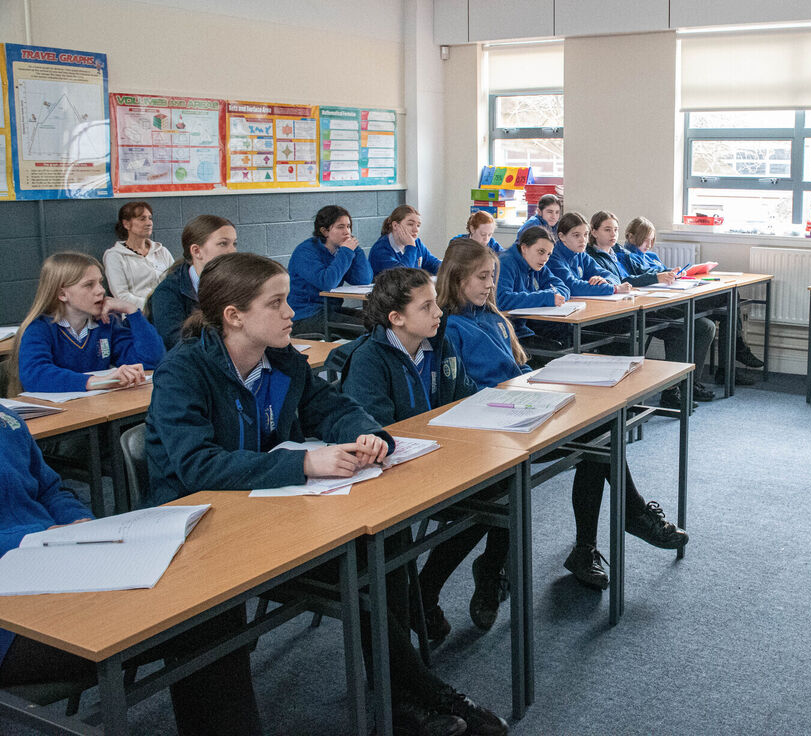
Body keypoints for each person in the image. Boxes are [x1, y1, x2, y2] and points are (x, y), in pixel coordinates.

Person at [144, 252, 504, 736]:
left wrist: (368, 433)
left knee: (382, 547)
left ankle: (405, 700)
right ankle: (425, 693)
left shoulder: (283, 361)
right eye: (276, 303)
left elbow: (332, 407)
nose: (292, 312)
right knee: (363, 574)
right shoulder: (183, 371)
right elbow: (196, 465)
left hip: (270, 514)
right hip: (201, 531)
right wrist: (304, 462)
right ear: (234, 316)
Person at [0, 405, 265, 736]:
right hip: (11, 616)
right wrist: (30, 540)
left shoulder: (7, 419)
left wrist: (81, 525)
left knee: (209, 607)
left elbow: (50, 490)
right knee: (192, 621)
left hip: (53, 564)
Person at [440, 238, 689, 590]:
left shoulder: (492, 317)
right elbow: (463, 393)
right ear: (456, 278)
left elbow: (514, 370)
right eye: (482, 277)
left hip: (516, 412)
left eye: (492, 276)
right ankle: (627, 518)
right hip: (491, 428)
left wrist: (536, 384)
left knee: (600, 431)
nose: (491, 284)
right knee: (598, 439)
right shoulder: (450, 327)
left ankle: (589, 545)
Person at [336, 264, 510, 642]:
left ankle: (428, 590)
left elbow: (464, 399)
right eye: (427, 307)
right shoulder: (369, 360)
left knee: (503, 489)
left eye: (436, 304)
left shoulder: (439, 344)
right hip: (393, 477)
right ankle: (420, 598)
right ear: (396, 318)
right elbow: (378, 433)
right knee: (486, 501)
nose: (439, 312)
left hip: (439, 463)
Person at [592, 213, 717, 407]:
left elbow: (638, 274)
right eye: (607, 230)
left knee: (705, 326)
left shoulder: (618, 253)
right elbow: (628, 281)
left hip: (644, 303)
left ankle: (688, 384)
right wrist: (656, 277)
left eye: (615, 230)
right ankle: (671, 390)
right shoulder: (593, 257)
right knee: (681, 329)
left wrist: (664, 274)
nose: (613, 235)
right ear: (594, 232)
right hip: (622, 312)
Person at [618, 220, 764, 384]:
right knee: (725, 302)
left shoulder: (651, 255)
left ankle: (729, 362)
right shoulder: (624, 256)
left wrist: (675, 273)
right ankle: (733, 354)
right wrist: (659, 276)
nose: (649, 244)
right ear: (631, 237)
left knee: (729, 296)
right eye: (645, 239)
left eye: (652, 240)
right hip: (659, 302)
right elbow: (630, 280)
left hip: (671, 293)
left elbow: (662, 273)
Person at [9, 252, 164, 396]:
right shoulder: (40, 328)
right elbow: (35, 375)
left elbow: (151, 362)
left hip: (99, 409)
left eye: (100, 283)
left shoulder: (106, 323)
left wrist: (132, 311)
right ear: (62, 294)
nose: (101, 290)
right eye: (89, 285)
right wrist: (96, 382)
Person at [148, 215, 238, 349]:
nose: (233, 251)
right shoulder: (167, 293)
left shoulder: (237, 284)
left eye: (234, 244)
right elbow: (178, 344)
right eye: (223, 243)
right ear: (196, 251)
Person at [287, 205, 373, 337]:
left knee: (377, 323)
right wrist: (347, 251)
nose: (347, 232)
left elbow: (364, 279)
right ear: (325, 231)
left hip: (330, 310)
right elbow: (327, 283)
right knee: (367, 330)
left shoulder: (342, 250)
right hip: (304, 316)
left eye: (348, 226)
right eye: (340, 227)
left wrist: (356, 249)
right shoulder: (305, 252)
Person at [496, 226, 570, 355]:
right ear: (524, 248)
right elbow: (502, 299)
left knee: (568, 332)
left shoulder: (537, 264)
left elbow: (563, 287)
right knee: (560, 351)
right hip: (509, 333)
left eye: (548, 254)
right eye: (541, 251)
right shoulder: (506, 263)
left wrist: (557, 295)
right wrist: (546, 297)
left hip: (527, 325)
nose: (545, 258)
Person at [103, 201, 174, 309]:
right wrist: (154, 305)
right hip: (138, 314)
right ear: (126, 224)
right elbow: (121, 295)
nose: (149, 223)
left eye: (150, 218)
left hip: (168, 310)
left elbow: (176, 281)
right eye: (142, 219)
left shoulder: (162, 251)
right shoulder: (115, 256)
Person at [546, 211, 631, 298]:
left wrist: (604, 281)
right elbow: (572, 286)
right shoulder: (552, 256)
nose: (583, 240)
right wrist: (614, 288)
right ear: (562, 236)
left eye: (586, 234)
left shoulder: (581, 254)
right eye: (576, 235)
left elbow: (612, 276)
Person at [370, 205, 441, 275]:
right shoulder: (380, 249)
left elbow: (434, 264)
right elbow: (403, 276)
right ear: (395, 225)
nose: (416, 230)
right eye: (410, 224)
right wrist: (410, 247)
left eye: (418, 225)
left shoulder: (416, 243)